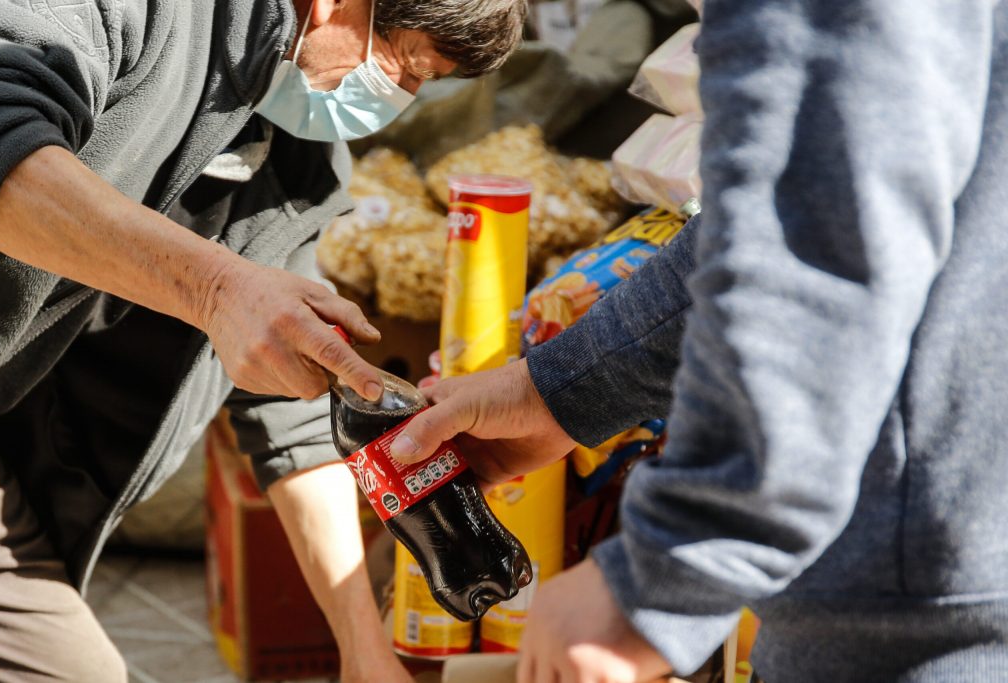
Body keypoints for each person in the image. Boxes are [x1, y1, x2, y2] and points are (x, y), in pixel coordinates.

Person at [392, 1, 1008, 681]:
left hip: (925, 607)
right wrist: (556, 390)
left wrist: (669, 568)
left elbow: (811, 238)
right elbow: (780, 213)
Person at [0, 0, 525, 680]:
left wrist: (362, 646)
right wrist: (215, 291)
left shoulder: (296, 161)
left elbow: (294, 410)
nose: (399, 101)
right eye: (406, 68)